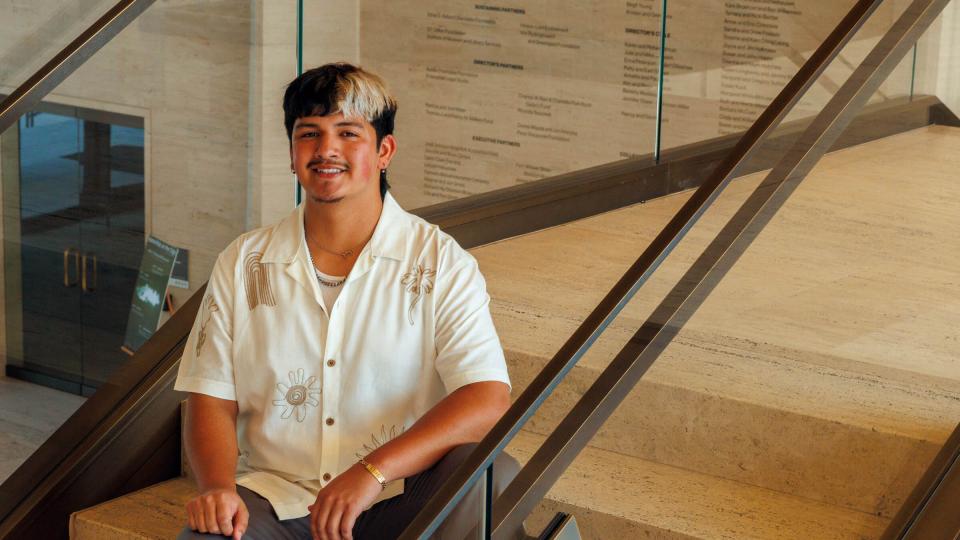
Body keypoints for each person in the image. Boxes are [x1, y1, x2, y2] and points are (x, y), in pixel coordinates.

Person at [174, 63, 519, 540]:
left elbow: (487, 398)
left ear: (384, 151)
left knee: (493, 473)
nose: (326, 150)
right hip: (277, 499)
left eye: (348, 133)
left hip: (399, 494)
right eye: (309, 134)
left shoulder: (441, 262)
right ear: (293, 155)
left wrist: (371, 472)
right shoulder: (243, 262)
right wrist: (216, 488)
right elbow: (210, 398)